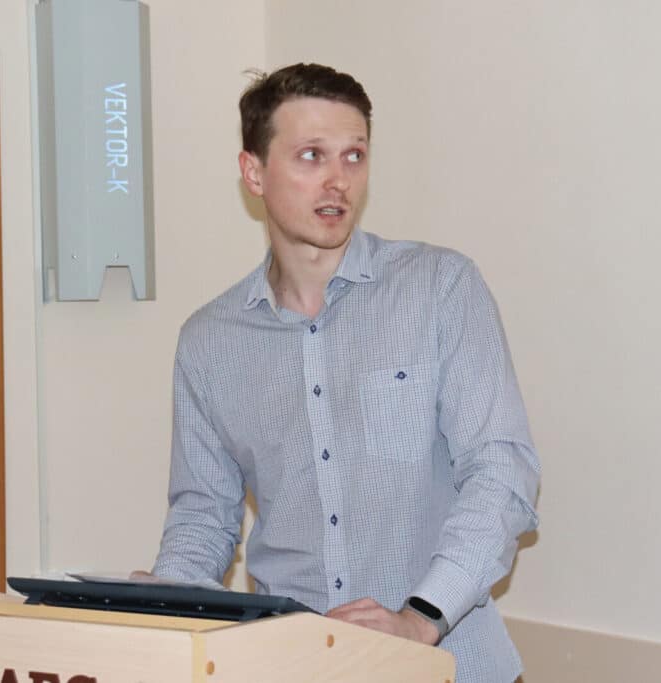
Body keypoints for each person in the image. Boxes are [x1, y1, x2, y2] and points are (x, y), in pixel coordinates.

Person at [148, 63, 541, 683]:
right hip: (294, 668)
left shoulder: (441, 288)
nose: (338, 180)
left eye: (354, 156)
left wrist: (420, 618)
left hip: (453, 667)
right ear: (254, 172)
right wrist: (161, 605)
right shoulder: (209, 342)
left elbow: (502, 473)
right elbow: (202, 517)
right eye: (312, 155)